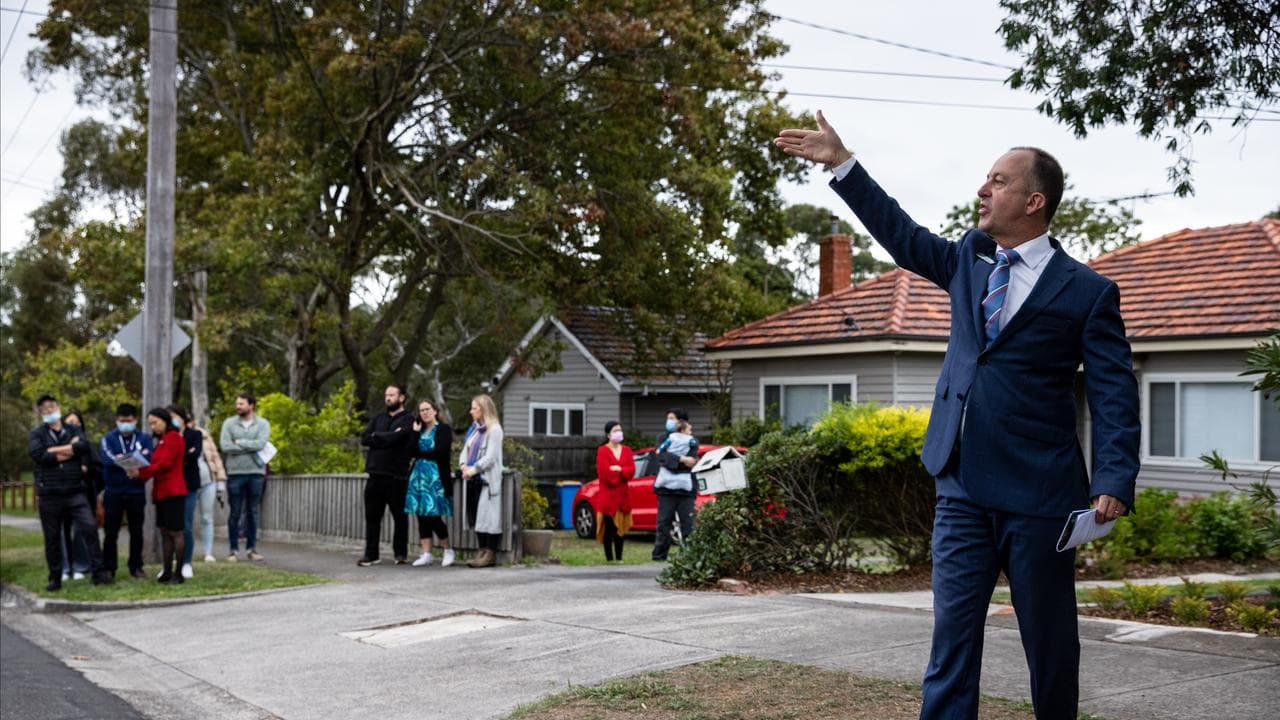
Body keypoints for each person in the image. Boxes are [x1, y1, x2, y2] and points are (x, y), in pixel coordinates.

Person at [775, 112, 1140, 720]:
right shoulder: (970, 258)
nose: (982, 190)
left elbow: (1113, 392)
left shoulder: (1087, 292)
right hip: (961, 486)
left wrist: (1113, 477)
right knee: (951, 645)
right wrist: (843, 164)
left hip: (1040, 495)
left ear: (1034, 199)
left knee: (1049, 648)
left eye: (997, 181)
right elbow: (903, 234)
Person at [27, 394, 110, 590]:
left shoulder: (73, 429)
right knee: (52, 538)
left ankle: (98, 572)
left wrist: (54, 450)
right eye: (45, 409)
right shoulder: (37, 434)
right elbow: (39, 455)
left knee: (89, 529)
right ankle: (55, 577)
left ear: (58, 407)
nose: (50, 411)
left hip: (75, 492)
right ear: (40, 412)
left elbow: (82, 447)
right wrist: (68, 449)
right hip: (50, 494)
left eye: (52, 407)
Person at [358, 384, 416, 566]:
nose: (388, 398)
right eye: (386, 395)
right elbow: (365, 438)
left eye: (392, 395)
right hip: (375, 474)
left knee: (399, 516)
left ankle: (400, 554)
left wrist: (379, 437)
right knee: (372, 516)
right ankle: (371, 554)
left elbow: (401, 438)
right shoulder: (378, 418)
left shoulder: (408, 419)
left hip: (396, 476)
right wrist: (387, 436)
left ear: (402, 398)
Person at [131, 408, 189, 584]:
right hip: (161, 491)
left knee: (176, 532)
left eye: (155, 422)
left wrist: (141, 473)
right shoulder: (161, 441)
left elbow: (164, 464)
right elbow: (154, 464)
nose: (152, 426)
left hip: (173, 491)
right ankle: (167, 570)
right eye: (150, 424)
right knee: (164, 532)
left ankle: (178, 572)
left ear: (165, 420)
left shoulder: (173, 438)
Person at [100, 403, 153, 579]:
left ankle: (136, 566)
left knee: (137, 531)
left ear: (135, 420)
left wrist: (126, 461)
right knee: (111, 531)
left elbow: (147, 457)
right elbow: (107, 459)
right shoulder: (108, 438)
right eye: (122, 421)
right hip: (113, 491)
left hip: (136, 491)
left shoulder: (144, 438)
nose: (125, 424)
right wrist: (129, 461)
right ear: (117, 420)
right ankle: (109, 567)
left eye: (129, 421)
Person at [219, 392, 271, 562]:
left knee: (252, 512)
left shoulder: (262, 424)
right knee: (234, 512)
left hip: (256, 473)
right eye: (237, 404)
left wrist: (240, 442)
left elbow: (261, 444)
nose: (238, 406)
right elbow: (225, 446)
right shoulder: (228, 423)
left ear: (251, 405)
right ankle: (233, 550)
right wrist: (250, 446)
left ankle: (252, 549)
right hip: (235, 473)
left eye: (241, 403)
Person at [406, 399, 455, 568]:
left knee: (433, 516)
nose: (424, 413)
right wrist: (414, 433)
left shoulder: (443, 429)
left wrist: (420, 454)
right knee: (421, 515)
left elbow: (440, 452)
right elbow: (410, 451)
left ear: (435, 411)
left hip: (435, 478)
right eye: (421, 410)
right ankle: (427, 554)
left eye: (427, 409)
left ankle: (448, 549)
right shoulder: (418, 431)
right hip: (418, 477)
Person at [459, 394, 504, 568]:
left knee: (490, 518)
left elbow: (491, 457)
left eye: (474, 408)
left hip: (486, 479)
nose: (471, 411)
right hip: (472, 479)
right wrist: (463, 465)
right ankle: (481, 550)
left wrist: (473, 469)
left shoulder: (495, 430)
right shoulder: (475, 429)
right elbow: (466, 449)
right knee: (477, 517)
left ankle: (490, 553)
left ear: (483, 409)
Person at [651, 416, 698, 562]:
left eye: (672, 418)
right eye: (668, 418)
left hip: (686, 490)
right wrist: (681, 459)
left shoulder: (692, 441)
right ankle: (659, 555)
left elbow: (692, 460)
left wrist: (674, 460)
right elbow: (660, 457)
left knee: (688, 524)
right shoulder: (664, 438)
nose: (669, 421)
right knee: (663, 523)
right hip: (666, 490)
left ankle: (690, 555)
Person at [59, 410, 99, 580]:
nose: (74, 425)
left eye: (77, 422)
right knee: (62, 531)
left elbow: (98, 469)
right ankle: (64, 567)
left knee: (82, 530)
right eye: (70, 422)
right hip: (59, 494)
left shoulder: (88, 446)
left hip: (82, 493)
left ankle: (80, 566)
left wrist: (86, 470)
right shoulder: (55, 446)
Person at [168, 405, 206, 579]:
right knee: (170, 526)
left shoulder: (194, 434)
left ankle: (186, 562)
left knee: (186, 524)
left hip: (189, 485)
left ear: (182, 417)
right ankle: (170, 563)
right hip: (171, 486)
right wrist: (183, 455)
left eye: (174, 416)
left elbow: (194, 454)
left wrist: (178, 456)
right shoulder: (168, 436)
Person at [594, 421, 634, 563]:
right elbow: (604, 473)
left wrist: (619, 469)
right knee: (609, 528)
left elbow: (631, 471)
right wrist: (621, 473)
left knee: (621, 528)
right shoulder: (602, 450)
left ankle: (619, 557)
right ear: (608, 434)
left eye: (620, 430)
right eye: (615, 430)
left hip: (623, 495)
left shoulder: (627, 450)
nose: (619, 432)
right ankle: (609, 558)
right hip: (608, 496)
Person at [196, 415, 227, 563]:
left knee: (207, 518)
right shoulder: (176, 436)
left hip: (209, 481)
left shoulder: (204, 436)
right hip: (188, 484)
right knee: (184, 519)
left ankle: (208, 552)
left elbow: (216, 458)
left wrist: (220, 482)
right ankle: (183, 551)